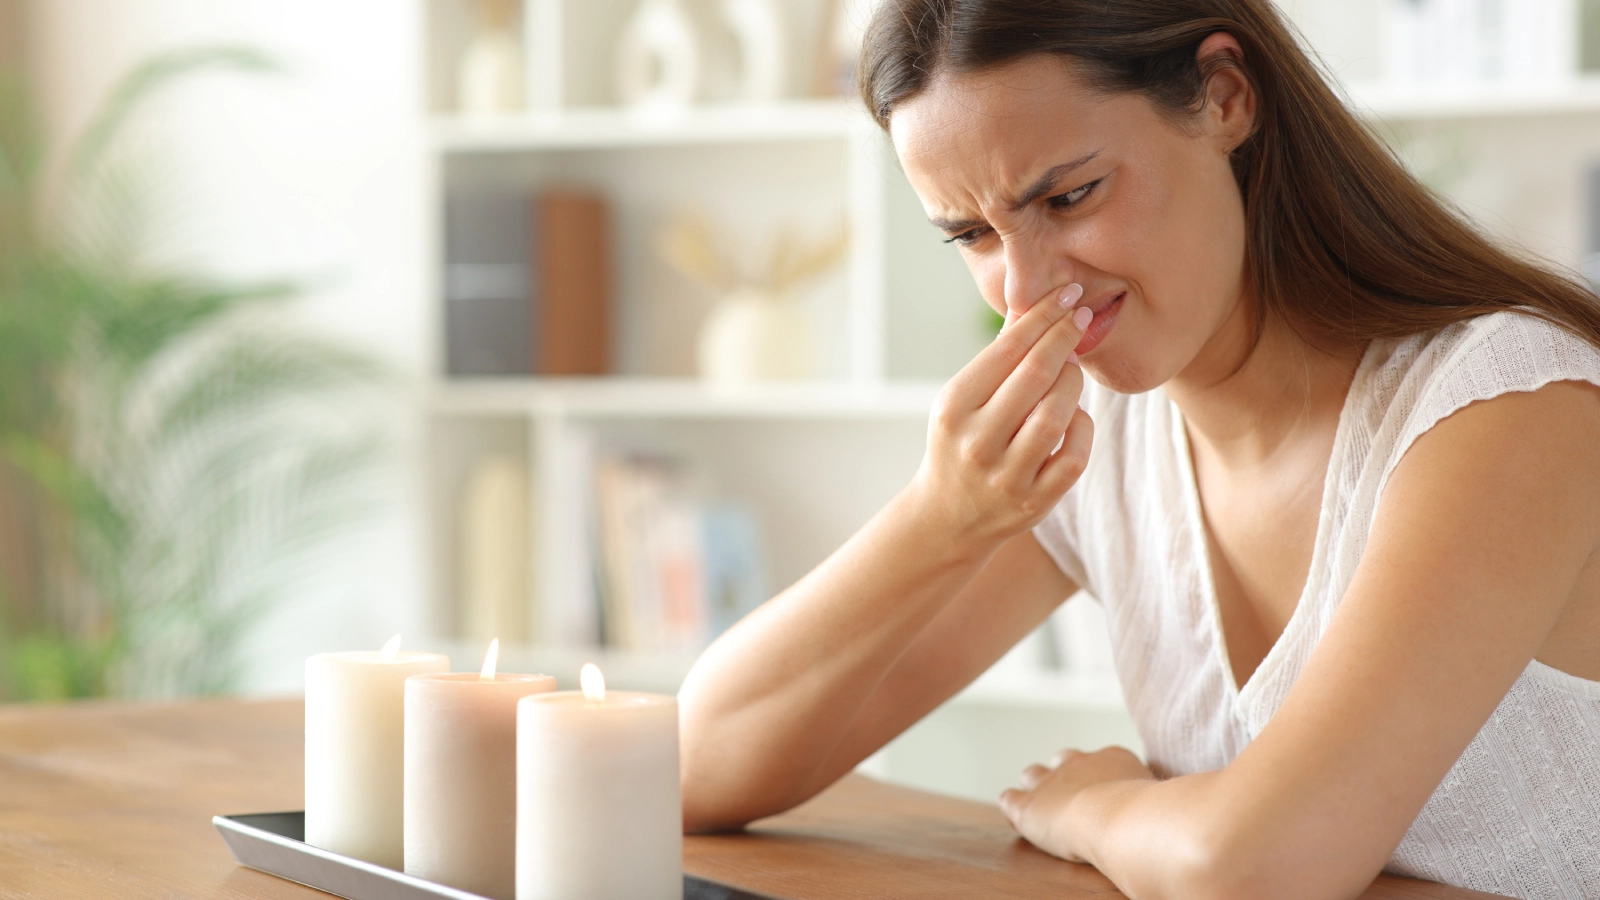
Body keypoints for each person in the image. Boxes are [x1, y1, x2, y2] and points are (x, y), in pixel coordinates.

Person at [676, 2, 1600, 897]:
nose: (1024, 291)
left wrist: (1088, 808)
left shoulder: (1514, 404)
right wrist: (939, 517)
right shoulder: (1106, 441)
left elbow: (1258, 869)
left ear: (1224, 97)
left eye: (1068, 196)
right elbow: (688, 769)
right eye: (971, 234)